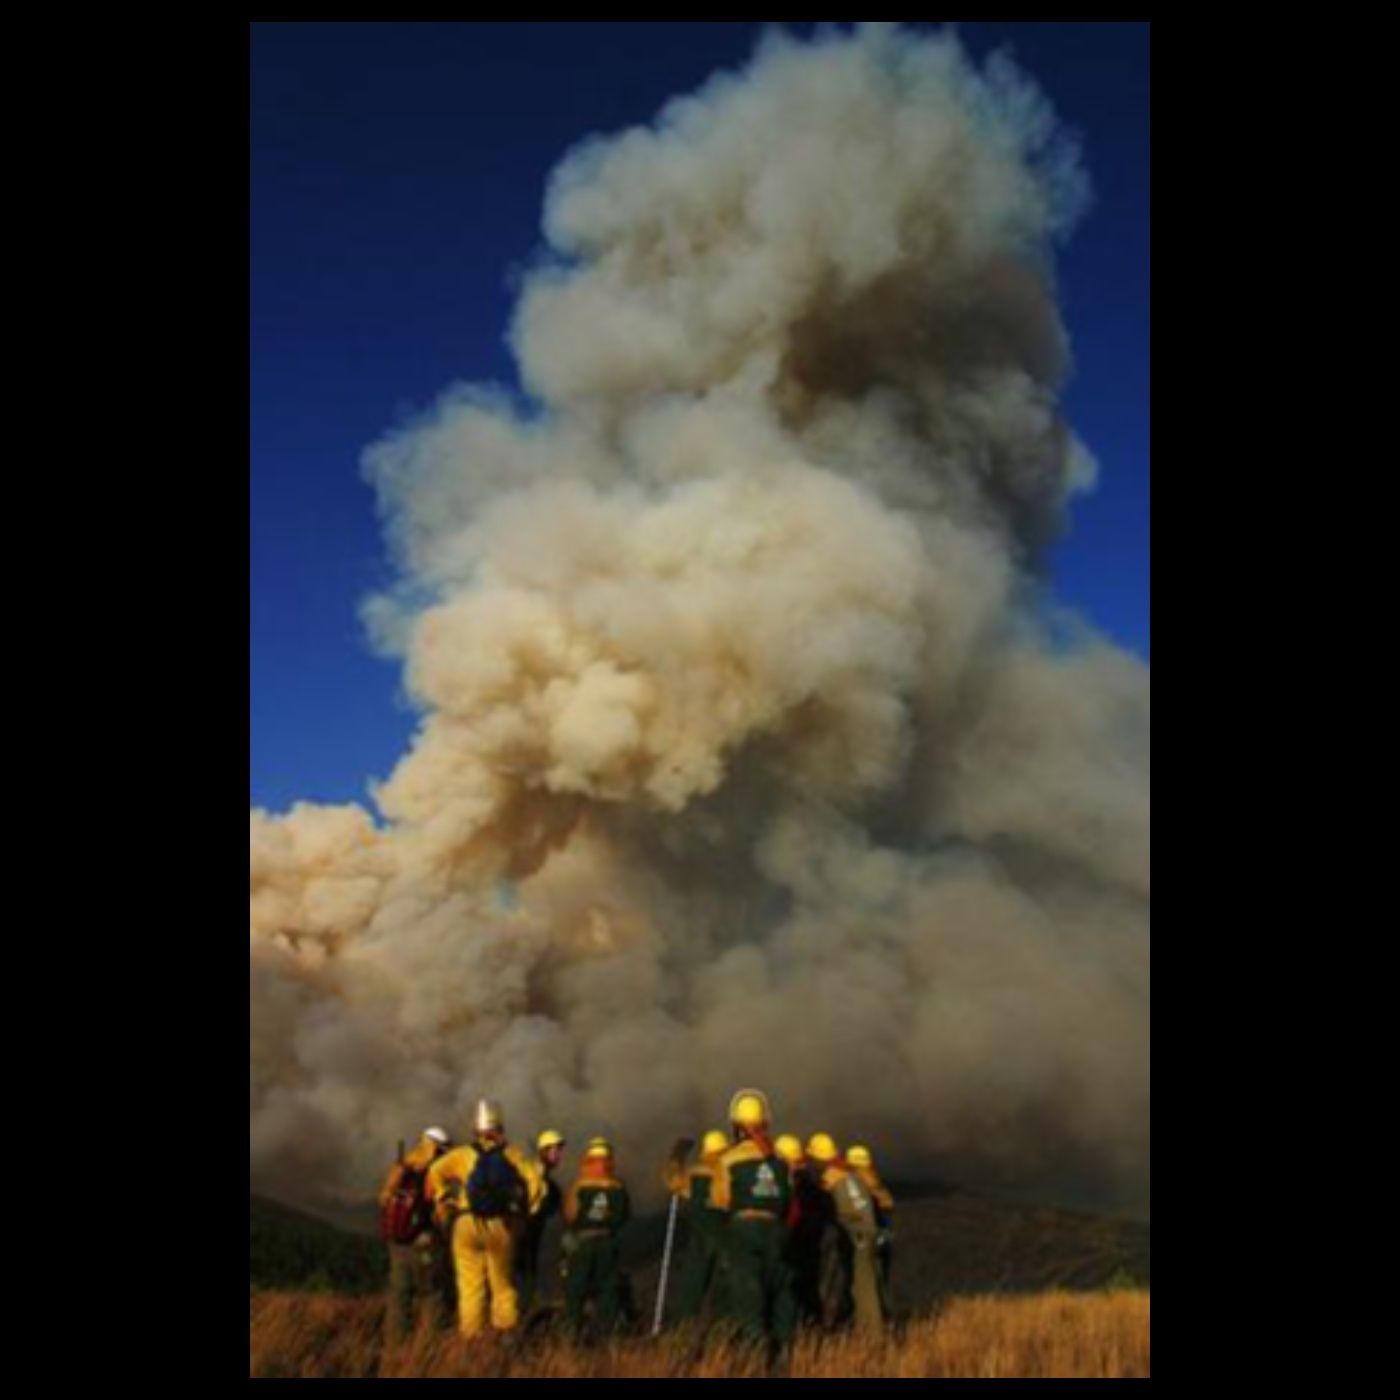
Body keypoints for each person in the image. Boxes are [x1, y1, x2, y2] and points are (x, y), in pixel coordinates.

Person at [426, 1099, 544, 1339]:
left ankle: (471, 1340)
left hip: (465, 1222)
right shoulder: (512, 1154)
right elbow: (536, 1183)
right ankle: (506, 1338)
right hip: (501, 1224)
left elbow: (434, 1171)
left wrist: (444, 1197)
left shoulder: (462, 1154)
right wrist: (524, 1212)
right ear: (500, 1127)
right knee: (502, 1286)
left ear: (475, 1129)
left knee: (470, 1287)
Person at [710, 1089, 796, 1359]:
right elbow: (788, 1198)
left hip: (744, 1231)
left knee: (748, 1299)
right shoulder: (781, 1160)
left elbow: (721, 1200)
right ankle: (784, 1360)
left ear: (737, 1126)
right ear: (764, 1122)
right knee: (781, 1296)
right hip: (778, 1233)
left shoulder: (728, 1160)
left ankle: (756, 1361)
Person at [378, 1126, 453, 1344]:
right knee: (431, 1295)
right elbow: (440, 1213)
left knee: (399, 1295)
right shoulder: (433, 1171)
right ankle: (429, 1349)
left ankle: (394, 1347)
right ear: (438, 1148)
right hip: (424, 1242)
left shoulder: (402, 1166)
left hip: (397, 1243)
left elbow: (383, 1199)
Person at [806, 1133, 885, 1335]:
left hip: (855, 1235)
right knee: (868, 1284)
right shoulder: (852, 1174)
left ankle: (872, 1336)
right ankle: (870, 1330)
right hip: (869, 1233)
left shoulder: (830, 1178)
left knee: (861, 1288)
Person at [561, 1137, 631, 1336]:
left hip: (582, 1244)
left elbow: (570, 1215)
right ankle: (608, 1333)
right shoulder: (618, 1187)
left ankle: (571, 1332)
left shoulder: (579, 1186)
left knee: (576, 1289)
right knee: (608, 1289)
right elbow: (624, 1215)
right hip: (608, 1242)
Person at [663, 1129, 730, 1323]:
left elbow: (673, 1181)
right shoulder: (729, 1172)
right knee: (723, 1285)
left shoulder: (694, 1174)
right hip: (724, 1232)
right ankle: (723, 1328)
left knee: (692, 1284)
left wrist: (677, 1155)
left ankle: (684, 1326)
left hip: (699, 1234)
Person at [775, 1133, 827, 1327]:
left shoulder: (794, 1185)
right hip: (813, 1245)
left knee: (792, 1291)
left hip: (796, 1245)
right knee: (810, 1291)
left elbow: (792, 1216)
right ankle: (813, 1329)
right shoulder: (814, 1184)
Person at [517, 1128, 567, 1316]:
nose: (559, 1155)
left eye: (559, 1150)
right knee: (524, 1274)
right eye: (555, 1150)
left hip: (530, 1231)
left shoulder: (543, 1177)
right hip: (524, 1230)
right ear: (544, 1151)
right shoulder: (535, 1174)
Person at [846, 1144, 895, 1306]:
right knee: (880, 1278)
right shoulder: (875, 1181)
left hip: (871, 1235)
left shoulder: (857, 1183)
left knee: (867, 1280)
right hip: (884, 1236)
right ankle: (883, 1311)